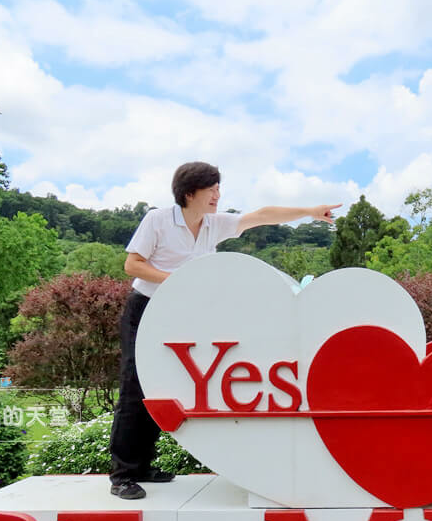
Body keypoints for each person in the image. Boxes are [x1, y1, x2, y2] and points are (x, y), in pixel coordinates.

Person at [109, 161, 340, 500]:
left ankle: (143, 466)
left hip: (183, 315)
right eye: (212, 189)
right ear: (190, 194)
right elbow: (133, 264)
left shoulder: (213, 225)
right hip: (146, 309)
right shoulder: (158, 220)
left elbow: (261, 215)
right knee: (135, 386)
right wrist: (179, 282)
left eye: (218, 189)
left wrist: (309, 211)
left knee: (167, 383)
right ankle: (123, 476)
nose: (218, 195)